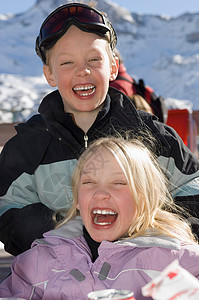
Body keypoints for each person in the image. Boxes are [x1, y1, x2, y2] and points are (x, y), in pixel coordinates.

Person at [0, 2, 199, 257]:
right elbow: (7, 209)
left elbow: (193, 193)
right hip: (55, 284)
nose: (83, 71)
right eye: (67, 63)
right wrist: (70, 235)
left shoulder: (152, 137)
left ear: (113, 67)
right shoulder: (28, 147)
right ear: (49, 74)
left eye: (94, 59)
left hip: (138, 283)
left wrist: (147, 232)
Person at [0, 136, 199, 299]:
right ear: (77, 199)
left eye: (119, 182)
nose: (100, 193)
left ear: (145, 196)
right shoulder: (39, 263)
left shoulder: (179, 261)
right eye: (89, 182)